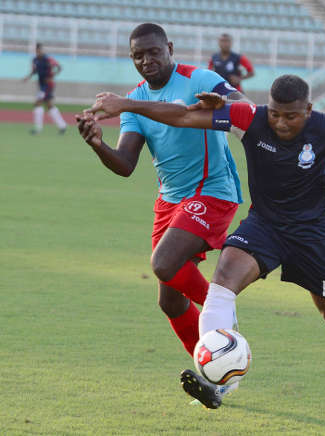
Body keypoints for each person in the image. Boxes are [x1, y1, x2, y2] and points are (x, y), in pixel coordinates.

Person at [85, 75, 325, 409]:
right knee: (221, 285)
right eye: (274, 113)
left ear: (308, 110)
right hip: (264, 226)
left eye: (291, 115)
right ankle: (218, 380)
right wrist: (126, 105)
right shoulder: (247, 117)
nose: (281, 122)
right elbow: (185, 115)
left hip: (314, 235)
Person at [76, 23, 248, 402]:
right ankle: (218, 378)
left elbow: (242, 105)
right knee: (169, 301)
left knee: (164, 262)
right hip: (170, 199)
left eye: (154, 52)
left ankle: (226, 319)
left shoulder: (197, 78)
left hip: (212, 189)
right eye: (138, 56)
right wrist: (96, 144)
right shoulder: (134, 102)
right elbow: (124, 164)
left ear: (169, 48)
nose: (146, 61)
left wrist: (226, 101)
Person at [22, 42, 67, 135]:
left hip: (48, 85)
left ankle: (38, 128)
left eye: (40, 49)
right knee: (49, 105)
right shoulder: (34, 60)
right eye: (37, 50)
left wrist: (52, 76)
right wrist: (28, 77)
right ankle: (62, 126)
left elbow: (59, 67)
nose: (38, 51)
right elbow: (34, 71)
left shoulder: (48, 59)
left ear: (42, 50)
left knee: (37, 103)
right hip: (42, 85)